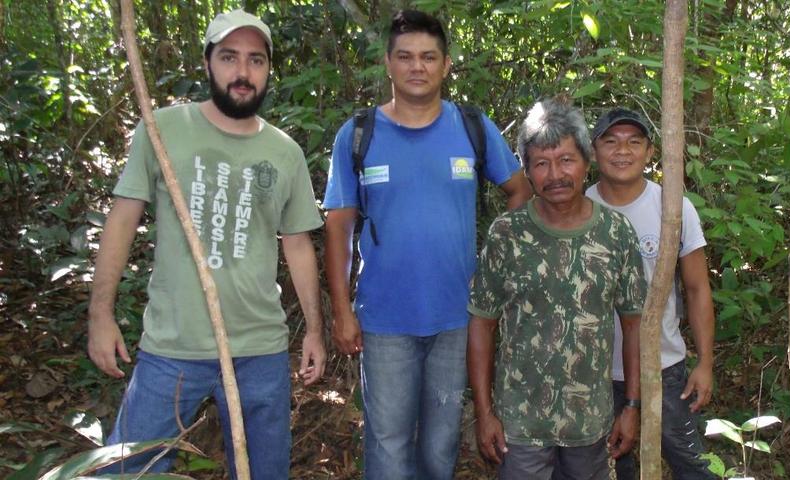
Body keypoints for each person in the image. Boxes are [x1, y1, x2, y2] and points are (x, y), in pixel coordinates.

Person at [86, 9, 325, 478]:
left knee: (263, 472)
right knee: (128, 470)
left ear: (269, 69)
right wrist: (100, 313)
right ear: (208, 62)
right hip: (173, 345)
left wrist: (314, 329)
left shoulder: (284, 152)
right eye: (229, 57)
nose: (242, 72)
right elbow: (122, 219)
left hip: (259, 348)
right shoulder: (163, 129)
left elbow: (297, 244)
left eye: (256, 60)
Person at [322, 9, 531, 480]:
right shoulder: (358, 134)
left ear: (446, 65)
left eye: (428, 57)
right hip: (383, 318)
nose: (417, 66)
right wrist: (341, 309)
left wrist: (496, 264)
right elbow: (338, 224)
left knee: (440, 447)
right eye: (406, 56)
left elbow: (519, 189)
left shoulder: (472, 127)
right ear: (388, 64)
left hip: (457, 317)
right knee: (388, 445)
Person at [467, 99, 646, 479]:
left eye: (566, 160)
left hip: (590, 425)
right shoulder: (507, 234)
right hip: (520, 426)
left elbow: (633, 325)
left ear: (586, 162)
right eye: (541, 163)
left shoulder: (615, 233)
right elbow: (482, 324)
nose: (556, 174)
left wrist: (631, 405)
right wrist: (484, 415)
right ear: (527, 171)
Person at [586, 108, 716, 479]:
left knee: (691, 463)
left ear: (650, 152)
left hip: (664, 365)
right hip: (596, 372)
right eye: (610, 142)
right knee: (614, 464)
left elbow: (696, 287)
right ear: (594, 152)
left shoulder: (673, 208)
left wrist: (705, 363)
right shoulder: (578, 208)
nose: (622, 151)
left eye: (633, 142)